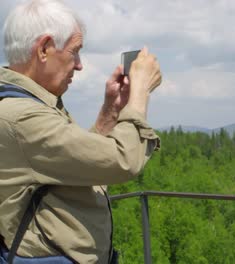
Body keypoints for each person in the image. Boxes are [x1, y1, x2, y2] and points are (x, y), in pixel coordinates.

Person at [0, 0, 162, 263]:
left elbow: (82, 164)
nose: (79, 65)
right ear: (43, 49)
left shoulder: (26, 105)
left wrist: (111, 110)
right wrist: (140, 94)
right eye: (75, 51)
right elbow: (123, 160)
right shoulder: (23, 117)